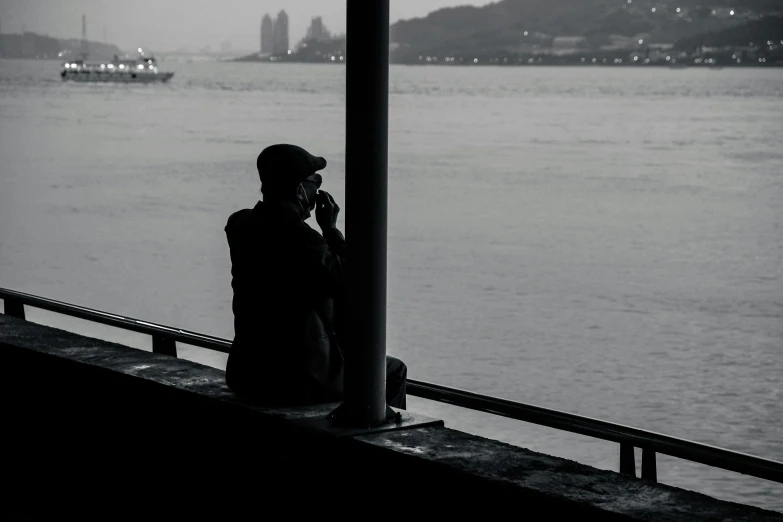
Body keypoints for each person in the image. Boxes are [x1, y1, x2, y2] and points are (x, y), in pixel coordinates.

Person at [224, 144, 407, 409]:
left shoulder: (240, 224)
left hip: (248, 371)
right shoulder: (303, 240)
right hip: (300, 379)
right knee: (393, 371)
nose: (319, 190)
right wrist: (331, 229)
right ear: (300, 189)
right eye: (316, 182)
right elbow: (358, 284)